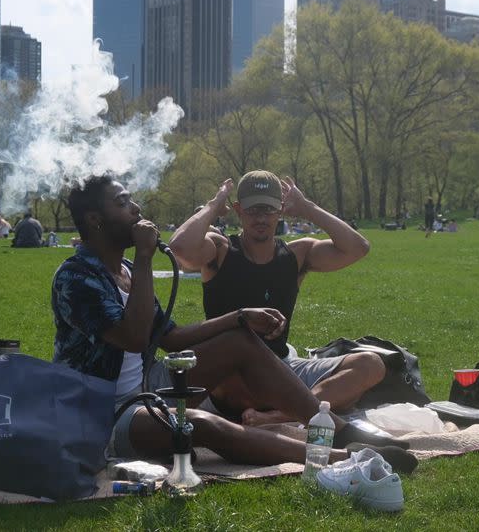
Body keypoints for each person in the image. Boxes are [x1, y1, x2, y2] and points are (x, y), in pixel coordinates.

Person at [52, 174, 416, 473]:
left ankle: (337, 430)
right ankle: (344, 458)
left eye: (131, 201)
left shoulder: (128, 272)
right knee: (200, 425)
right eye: (122, 203)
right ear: (95, 221)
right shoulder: (77, 277)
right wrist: (147, 257)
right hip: (103, 411)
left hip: (150, 386)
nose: (135, 210)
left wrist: (239, 318)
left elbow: (172, 338)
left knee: (239, 341)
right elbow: (132, 338)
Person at [169, 171, 384, 426]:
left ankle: (281, 415)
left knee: (371, 364)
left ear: (281, 210)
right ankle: (299, 410)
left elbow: (358, 248)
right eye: (253, 210)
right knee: (237, 377)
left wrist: (308, 208)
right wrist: (214, 205)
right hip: (230, 376)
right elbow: (180, 248)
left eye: (269, 210)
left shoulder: (296, 254)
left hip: (281, 367)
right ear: (238, 210)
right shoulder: (221, 250)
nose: (261, 218)